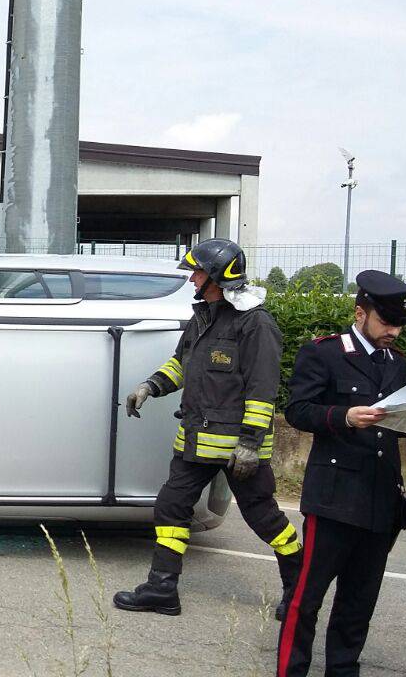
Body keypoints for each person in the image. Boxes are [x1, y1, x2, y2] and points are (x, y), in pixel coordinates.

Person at [114, 238, 301, 617]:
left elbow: (263, 388)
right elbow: (182, 364)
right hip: (195, 440)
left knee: (264, 518)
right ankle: (162, 588)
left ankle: (300, 591)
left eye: (198, 272)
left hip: (238, 450)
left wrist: (249, 443)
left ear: (217, 276)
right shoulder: (203, 316)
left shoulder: (256, 323)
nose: (192, 279)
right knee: (170, 506)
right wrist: (150, 386)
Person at [276, 270, 406, 677]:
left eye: (400, 324)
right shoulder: (324, 353)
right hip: (335, 495)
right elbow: (297, 410)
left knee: (359, 601)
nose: (394, 331)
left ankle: (342, 670)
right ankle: (291, 671)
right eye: (386, 322)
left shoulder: (397, 364)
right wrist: (344, 417)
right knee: (307, 598)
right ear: (360, 313)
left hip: (381, 497)